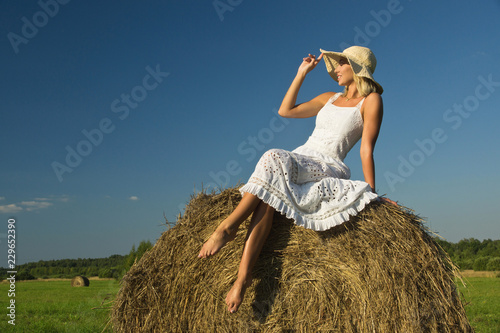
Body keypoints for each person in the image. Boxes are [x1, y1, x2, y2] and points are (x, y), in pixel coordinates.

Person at [198, 46, 394, 314]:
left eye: (340, 64)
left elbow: (366, 149)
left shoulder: (371, 101)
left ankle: (227, 227)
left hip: (327, 165)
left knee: (272, 156)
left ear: (356, 68)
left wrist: (370, 194)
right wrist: (302, 73)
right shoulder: (329, 97)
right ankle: (242, 280)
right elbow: (285, 111)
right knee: (266, 199)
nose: (335, 68)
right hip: (301, 158)